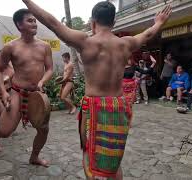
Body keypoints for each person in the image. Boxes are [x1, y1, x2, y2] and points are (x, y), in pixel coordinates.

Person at [22, 0, 171, 178]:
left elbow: (52, 23)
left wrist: (27, 1)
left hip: (94, 106)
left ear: (93, 22)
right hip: (119, 105)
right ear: (113, 22)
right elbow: (147, 35)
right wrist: (159, 22)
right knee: (114, 158)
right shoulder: (126, 44)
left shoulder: (85, 42)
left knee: (88, 150)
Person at [0, 9, 53, 167]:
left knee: (43, 129)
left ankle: (34, 157)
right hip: (18, 93)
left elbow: (50, 69)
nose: (34, 23)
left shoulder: (45, 46)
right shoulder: (10, 47)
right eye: (30, 21)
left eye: (35, 20)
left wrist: (42, 82)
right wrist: (4, 91)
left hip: (37, 95)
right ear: (19, 25)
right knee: (5, 132)